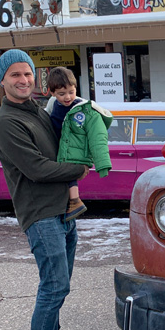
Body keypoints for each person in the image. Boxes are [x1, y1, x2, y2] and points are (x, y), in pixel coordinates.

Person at [0, 49, 90, 330]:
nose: (23, 80)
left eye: (28, 74)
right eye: (15, 74)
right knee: (54, 284)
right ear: (3, 79)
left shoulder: (38, 111)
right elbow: (35, 168)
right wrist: (79, 168)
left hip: (64, 208)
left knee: (60, 285)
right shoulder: (5, 122)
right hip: (40, 213)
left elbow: (62, 143)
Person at [46, 67, 113, 222]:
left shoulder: (84, 109)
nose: (67, 97)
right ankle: (71, 201)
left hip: (74, 150)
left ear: (76, 88)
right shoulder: (53, 104)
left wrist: (102, 164)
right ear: (52, 93)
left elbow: (98, 137)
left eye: (71, 91)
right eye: (61, 94)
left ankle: (75, 200)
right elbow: (46, 119)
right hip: (56, 147)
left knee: (69, 172)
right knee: (62, 175)